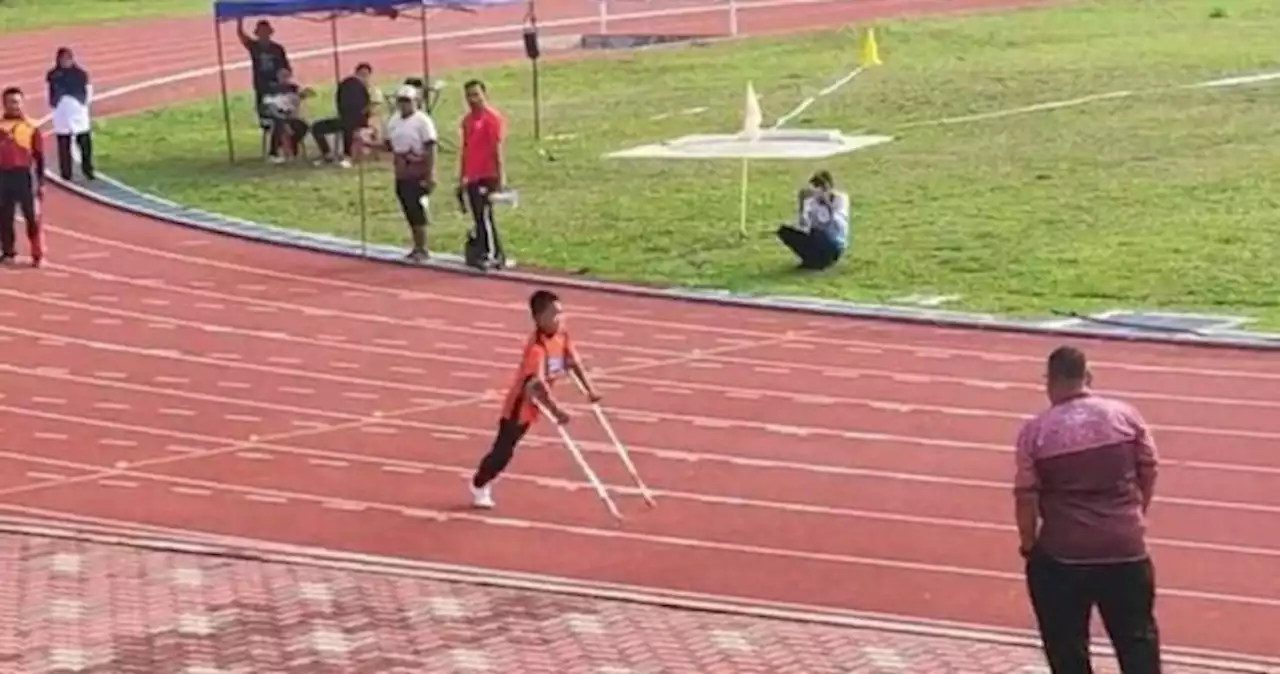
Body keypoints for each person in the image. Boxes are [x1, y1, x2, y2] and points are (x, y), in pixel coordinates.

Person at [1015, 346, 1162, 674]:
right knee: (1137, 641)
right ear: (1088, 377)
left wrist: (1028, 545)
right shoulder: (1125, 415)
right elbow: (1149, 468)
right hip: (1126, 549)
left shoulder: (1036, 431)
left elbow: (1025, 495)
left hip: (1064, 556)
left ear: (1050, 381)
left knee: (1067, 649)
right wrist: (1135, 514)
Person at [470, 289, 602, 509]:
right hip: (520, 406)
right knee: (504, 451)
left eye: (561, 313)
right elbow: (536, 385)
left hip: (537, 402)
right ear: (539, 318)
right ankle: (479, 484)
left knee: (508, 448)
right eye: (554, 315)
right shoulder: (536, 349)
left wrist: (591, 390)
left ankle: (482, 481)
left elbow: (573, 362)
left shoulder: (562, 335)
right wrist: (557, 410)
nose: (560, 319)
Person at [458, 79, 507, 271]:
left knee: (485, 215)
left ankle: (491, 253)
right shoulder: (467, 121)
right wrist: (462, 176)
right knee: (479, 216)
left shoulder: (491, 119)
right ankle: (492, 252)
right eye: (469, 95)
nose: (472, 99)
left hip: (488, 174)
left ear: (484, 95)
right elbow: (466, 149)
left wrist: (500, 176)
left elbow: (496, 148)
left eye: (476, 94)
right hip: (473, 175)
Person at [384, 85, 438, 262]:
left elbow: (430, 147)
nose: (404, 105)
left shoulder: (423, 121)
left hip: (417, 169)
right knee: (407, 207)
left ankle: (422, 247)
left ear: (416, 102)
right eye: (401, 101)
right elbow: (389, 145)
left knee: (416, 208)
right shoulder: (394, 121)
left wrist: (430, 173)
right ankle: (416, 245)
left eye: (407, 101)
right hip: (401, 171)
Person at [0, 87, 46, 267]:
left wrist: (41, 182)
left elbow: (39, 156)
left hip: (25, 177)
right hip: (3, 176)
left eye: (17, 102)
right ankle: (8, 252)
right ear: (4, 104)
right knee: (4, 216)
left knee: (32, 217)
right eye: (11, 102)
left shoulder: (31, 128)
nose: (14, 105)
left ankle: (37, 253)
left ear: (22, 103)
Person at [237, 18, 291, 155]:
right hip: (261, 88)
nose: (263, 35)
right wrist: (239, 20)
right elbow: (242, 37)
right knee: (269, 117)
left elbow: (287, 70)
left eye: (266, 32)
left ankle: (281, 147)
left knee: (281, 116)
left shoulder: (278, 49)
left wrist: (282, 77)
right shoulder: (254, 47)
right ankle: (275, 143)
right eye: (261, 32)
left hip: (277, 90)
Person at [776, 170, 849, 270]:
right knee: (784, 231)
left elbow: (836, 222)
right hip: (817, 240)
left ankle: (822, 261)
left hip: (834, 243)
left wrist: (827, 202)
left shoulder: (840, 199)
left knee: (818, 234)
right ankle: (811, 260)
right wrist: (802, 204)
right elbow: (803, 225)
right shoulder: (813, 203)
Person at [311, 62, 378, 168]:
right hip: (346, 118)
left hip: (360, 121)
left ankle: (348, 156)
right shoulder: (348, 84)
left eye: (366, 74)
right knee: (317, 127)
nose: (363, 76)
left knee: (349, 126)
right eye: (361, 73)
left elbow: (372, 107)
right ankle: (327, 153)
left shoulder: (371, 89)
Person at [46, 47, 94, 181]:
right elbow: (49, 92)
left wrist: (83, 104)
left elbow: (88, 90)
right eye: (62, 59)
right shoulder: (53, 75)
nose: (65, 62)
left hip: (78, 111)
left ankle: (88, 170)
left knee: (84, 143)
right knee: (63, 144)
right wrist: (54, 105)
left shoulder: (81, 74)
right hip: (61, 112)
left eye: (67, 59)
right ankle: (66, 173)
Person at [260, 67, 313, 163]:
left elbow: (304, 95)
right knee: (280, 124)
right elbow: (267, 105)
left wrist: (304, 93)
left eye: (287, 76)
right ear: (278, 77)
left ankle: (292, 147)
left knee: (303, 126)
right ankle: (274, 152)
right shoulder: (271, 89)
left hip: (290, 115)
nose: (285, 79)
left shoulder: (293, 88)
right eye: (283, 76)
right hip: (275, 116)